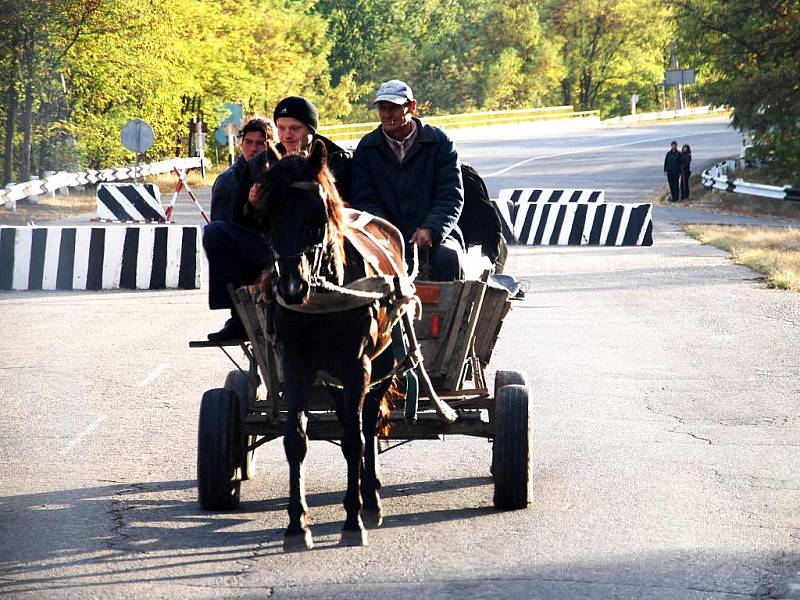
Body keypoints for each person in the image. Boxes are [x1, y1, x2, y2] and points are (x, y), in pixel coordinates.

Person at [350, 80, 464, 281]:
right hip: (384, 237)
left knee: (449, 257)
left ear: (411, 107)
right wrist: (384, 231)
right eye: (382, 108)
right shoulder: (367, 147)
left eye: (393, 108)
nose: (387, 114)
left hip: (436, 236)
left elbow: (451, 196)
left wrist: (431, 229)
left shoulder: (439, 142)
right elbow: (364, 198)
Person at [202, 117, 277, 342]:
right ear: (241, 144)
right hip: (247, 246)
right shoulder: (228, 180)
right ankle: (239, 316)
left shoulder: (281, 171)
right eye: (249, 142)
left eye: (260, 143)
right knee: (215, 233)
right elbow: (224, 227)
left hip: (280, 243)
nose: (254, 148)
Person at [246, 96, 352, 203]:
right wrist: (252, 204)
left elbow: (355, 203)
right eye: (281, 128)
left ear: (311, 130)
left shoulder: (339, 160)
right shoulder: (259, 164)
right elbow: (239, 214)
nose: (287, 135)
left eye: (295, 128)